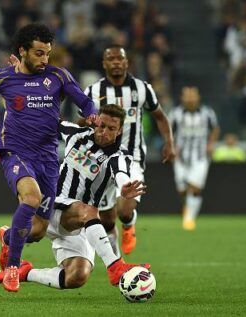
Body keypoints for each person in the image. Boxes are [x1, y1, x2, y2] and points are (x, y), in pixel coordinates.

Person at [0, 23, 99, 293]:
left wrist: (93, 115)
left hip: (48, 157)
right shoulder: (2, 78)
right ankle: (13, 269)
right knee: (31, 197)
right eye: (39, 53)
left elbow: (84, 101)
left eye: (47, 53)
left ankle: (7, 237)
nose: (44, 60)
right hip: (15, 150)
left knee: (38, 230)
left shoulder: (58, 76)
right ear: (22, 51)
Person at [0, 104, 149, 290]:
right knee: (85, 211)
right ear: (95, 122)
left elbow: (120, 172)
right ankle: (115, 267)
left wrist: (123, 187)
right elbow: (50, 121)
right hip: (52, 206)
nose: (103, 132)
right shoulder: (77, 134)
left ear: (119, 130)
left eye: (111, 128)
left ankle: (26, 271)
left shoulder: (120, 156)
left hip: (80, 224)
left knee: (77, 276)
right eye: (101, 125)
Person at [82, 44, 175, 256]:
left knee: (124, 211)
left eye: (119, 58)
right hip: (102, 160)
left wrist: (169, 142)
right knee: (105, 219)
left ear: (126, 62)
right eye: (111, 59)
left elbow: (160, 116)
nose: (116, 62)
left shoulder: (142, 88)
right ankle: (116, 261)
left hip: (132, 158)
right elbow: (81, 121)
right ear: (104, 64)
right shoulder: (93, 91)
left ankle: (128, 225)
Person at [169, 86, 220, 231]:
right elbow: (168, 130)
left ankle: (189, 219)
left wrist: (211, 144)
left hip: (200, 156)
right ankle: (188, 209)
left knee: (195, 188)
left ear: (198, 97)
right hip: (181, 157)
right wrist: (171, 146)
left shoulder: (207, 113)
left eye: (193, 96)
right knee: (182, 190)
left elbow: (215, 129)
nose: (190, 99)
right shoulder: (176, 113)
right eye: (187, 96)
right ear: (182, 98)